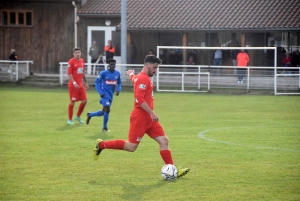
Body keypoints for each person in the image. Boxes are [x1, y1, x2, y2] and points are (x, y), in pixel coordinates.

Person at [92, 55, 190, 178]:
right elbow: (139, 99)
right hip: (140, 117)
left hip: (149, 118)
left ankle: (172, 170)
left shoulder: (140, 77)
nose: (155, 70)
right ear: (147, 66)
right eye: (154, 67)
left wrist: (131, 74)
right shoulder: (143, 79)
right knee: (131, 147)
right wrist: (152, 112)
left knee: (164, 140)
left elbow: (135, 79)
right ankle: (101, 145)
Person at [86, 58, 121, 132]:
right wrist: (100, 92)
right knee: (107, 110)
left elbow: (119, 82)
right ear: (109, 65)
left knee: (103, 112)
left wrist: (118, 89)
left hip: (110, 95)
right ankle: (104, 128)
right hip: (104, 94)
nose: (112, 66)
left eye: (113, 64)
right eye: (111, 64)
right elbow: (96, 82)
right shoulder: (103, 73)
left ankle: (90, 115)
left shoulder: (117, 73)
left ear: (115, 65)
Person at [67, 47, 89, 125]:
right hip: (73, 85)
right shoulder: (71, 61)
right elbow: (69, 74)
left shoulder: (82, 61)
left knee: (85, 100)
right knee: (72, 101)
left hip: (80, 84)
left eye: (79, 52)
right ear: (73, 54)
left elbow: (82, 72)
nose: (77, 54)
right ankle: (69, 119)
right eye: (76, 53)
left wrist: (86, 82)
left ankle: (78, 116)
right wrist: (74, 83)